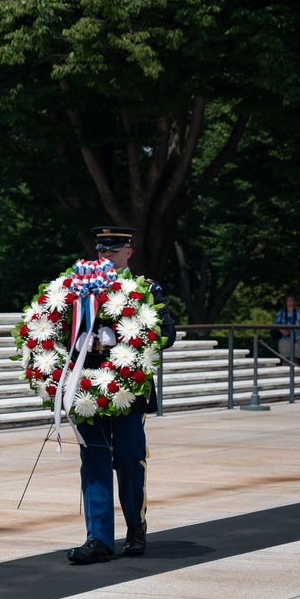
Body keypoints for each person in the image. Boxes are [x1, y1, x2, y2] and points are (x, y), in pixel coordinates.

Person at [65, 226, 177, 565]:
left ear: (129, 252)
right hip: (89, 389)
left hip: (129, 390)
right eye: (102, 248)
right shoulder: (77, 288)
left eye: (114, 249)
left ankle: (135, 527)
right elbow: (57, 327)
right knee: (94, 459)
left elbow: (168, 334)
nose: (106, 254)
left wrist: (132, 337)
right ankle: (97, 539)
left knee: (128, 458)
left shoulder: (145, 289)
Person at [274, 296, 300, 366]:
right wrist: (283, 331)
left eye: (292, 300)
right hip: (284, 338)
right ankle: (285, 375)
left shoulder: (299, 312)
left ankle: (296, 374)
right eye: (288, 300)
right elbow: (275, 324)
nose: (290, 302)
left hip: (297, 338)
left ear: (294, 302)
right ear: (285, 302)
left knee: (296, 358)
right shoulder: (281, 312)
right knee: (285, 359)